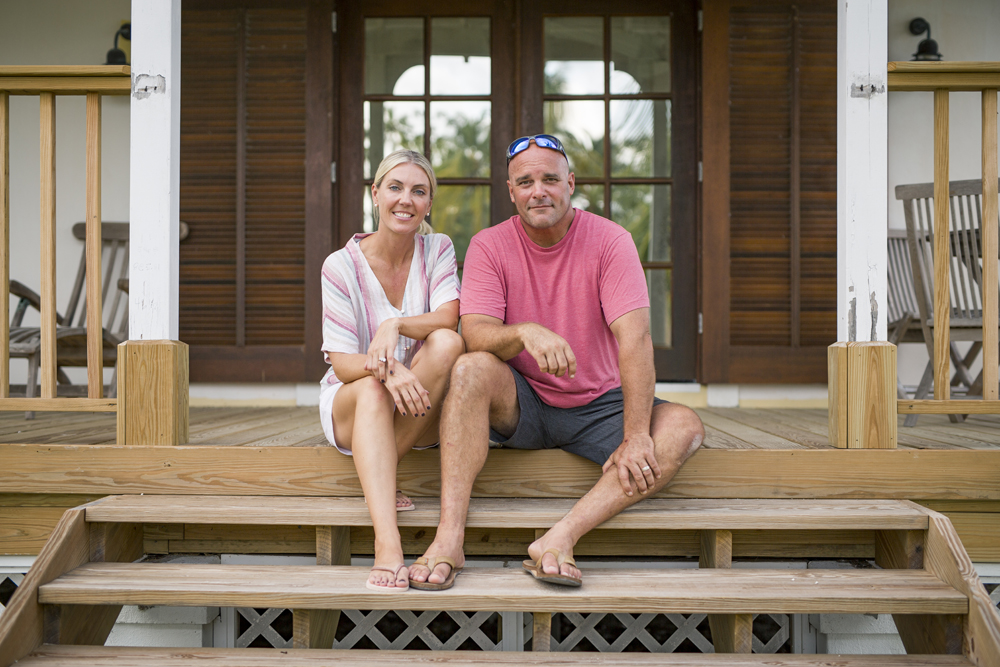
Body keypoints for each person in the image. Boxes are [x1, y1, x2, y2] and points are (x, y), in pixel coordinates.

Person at [408, 134, 704, 590]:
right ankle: (449, 537)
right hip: (523, 403)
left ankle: (561, 536)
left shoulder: (610, 241)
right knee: (469, 368)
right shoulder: (490, 245)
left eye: (549, 179)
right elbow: (474, 333)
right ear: (511, 191)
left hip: (599, 404)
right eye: (524, 182)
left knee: (684, 427)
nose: (537, 191)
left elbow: (636, 339)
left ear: (570, 182)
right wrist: (524, 331)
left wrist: (636, 435)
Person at [319, 149, 464, 591]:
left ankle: (383, 464)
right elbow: (343, 363)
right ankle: (388, 544)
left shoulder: (437, 247)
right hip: (354, 402)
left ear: (429, 204)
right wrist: (385, 371)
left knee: (448, 343)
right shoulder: (340, 265)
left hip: (417, 400)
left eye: (419, 191)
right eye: (396, 188)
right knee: (370, 390)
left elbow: (449, 318)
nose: (406, 200)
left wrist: (394, 324)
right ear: (376, 194)